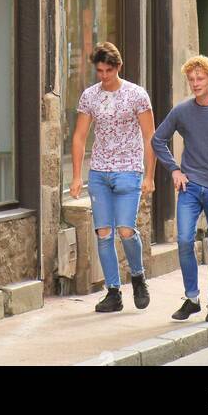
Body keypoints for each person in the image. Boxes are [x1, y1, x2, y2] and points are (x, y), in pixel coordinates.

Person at [151, 55, 208, 323]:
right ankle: (191, 298)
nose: (195, 84)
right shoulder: (182, 111)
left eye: (200, 79)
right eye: (191, 79)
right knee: (183, 241)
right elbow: (157, 139)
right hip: (190, 188)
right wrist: (174, 169)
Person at [70, 42, 156, 313]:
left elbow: (149, 136)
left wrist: (150, 175)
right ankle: (113, 291)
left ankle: (139, 277)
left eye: (108, 70)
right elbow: (80, 136)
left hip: (129, 169)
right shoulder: (90, 96)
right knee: (103, 232)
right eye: (99, 70)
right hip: (99, 172)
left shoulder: (136, 95)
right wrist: (76, 176)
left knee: (126, 230)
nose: (104, 75)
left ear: (118, 67)